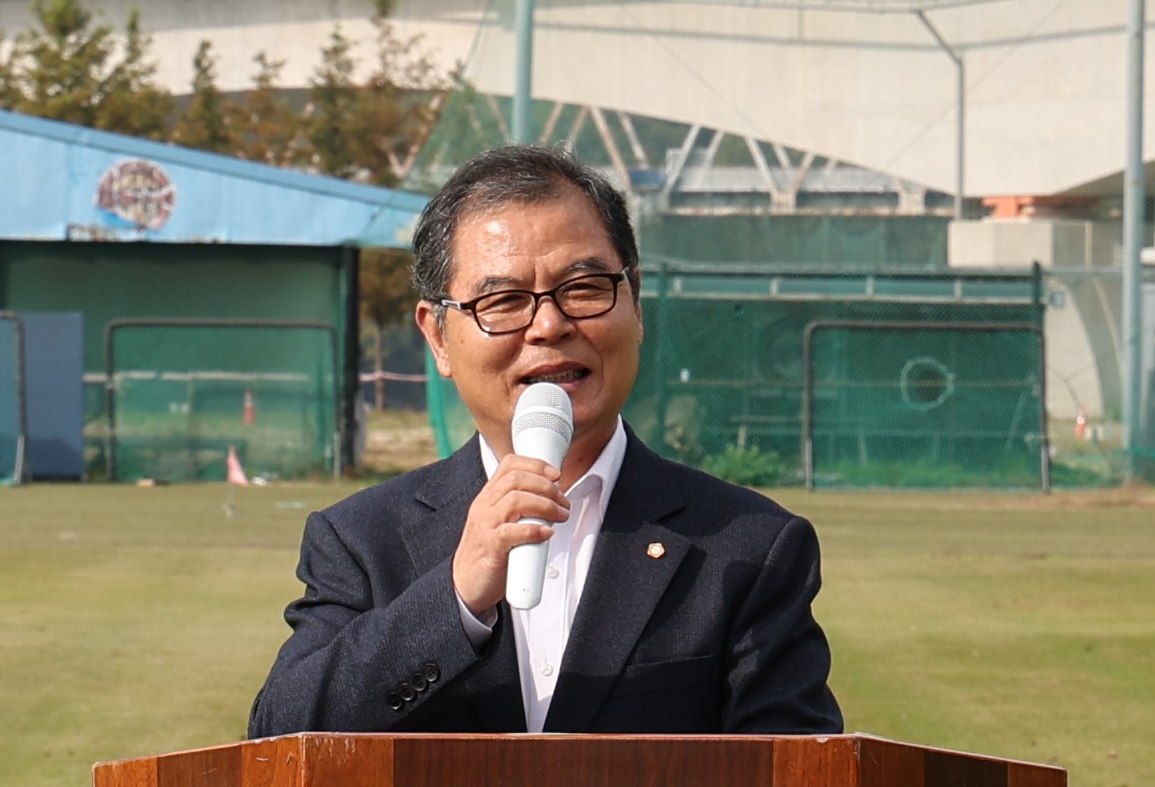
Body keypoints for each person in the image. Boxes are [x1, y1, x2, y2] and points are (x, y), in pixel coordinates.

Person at [247, 145, 839, 738]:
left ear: (635, 302)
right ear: (438, 338)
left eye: (583, 288)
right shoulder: (361, 541)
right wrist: (457, 594)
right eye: (501, 302)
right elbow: (279, 741)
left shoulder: (750, 547)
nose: (549, 325)